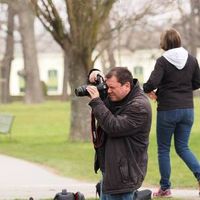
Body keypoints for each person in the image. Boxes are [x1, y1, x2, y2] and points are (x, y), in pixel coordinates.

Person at [143, 28, 200, 198]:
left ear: (164, 43)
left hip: (167, 110)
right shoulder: (192, 59)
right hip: (188, 110)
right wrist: (182, 90)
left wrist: (153, 92)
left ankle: (165, 188)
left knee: (163, 149)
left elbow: (150, 84)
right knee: (183, 147)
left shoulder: (162, 61)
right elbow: (197, 83)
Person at [86, 67, 152, 200]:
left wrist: (96, 102)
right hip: (112, 170)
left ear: (126, 85)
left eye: (112, 87)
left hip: (123, 176)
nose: (108, 91)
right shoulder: (121, 98)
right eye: (107, 87)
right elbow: (106, 104)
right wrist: (95, 75)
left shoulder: (139, 106)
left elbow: (113, 127)